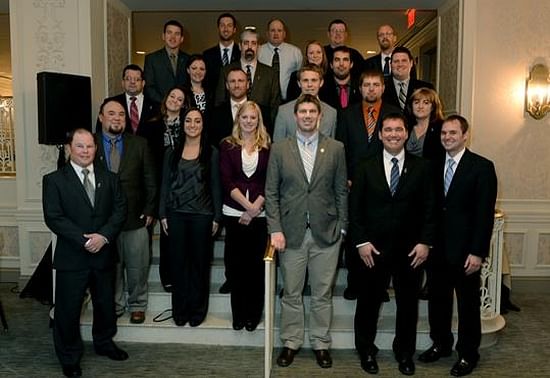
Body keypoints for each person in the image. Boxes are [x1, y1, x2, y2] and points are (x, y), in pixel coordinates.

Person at [349, 113, 436, 376]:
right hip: (372, 250)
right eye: (388, 130)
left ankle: (404, 353)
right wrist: (361, 242)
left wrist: (425, 243)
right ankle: (365, 350)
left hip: (411, 251)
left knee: (408, 305)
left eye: (398, 130)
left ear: (406, 133)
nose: (393, 134)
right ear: (379, 134)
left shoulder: (423, 167)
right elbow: (355, 210)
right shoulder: (365, 166)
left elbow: (430, 209)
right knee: (367, 304)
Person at [266, 94, 348, 369]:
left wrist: (343, 227)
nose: (308, 116)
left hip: (327, 234)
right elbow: (271, 192)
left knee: (322, 294)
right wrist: (274, 229)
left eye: (313, 111)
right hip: (290, 234)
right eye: (303, 111)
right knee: (291, 292)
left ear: (320, 116)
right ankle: (291, 342)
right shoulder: (279, 148)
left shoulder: (336, 148)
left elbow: (340, 191)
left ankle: (321, 343)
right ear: (295, 115)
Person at [42, 128, 127, 378]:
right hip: (73, 256)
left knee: (105, 305)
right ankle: (69, 356)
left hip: (103, 253)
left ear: (95, 148)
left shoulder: (110, 178)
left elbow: (119, 210)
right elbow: (54, 218)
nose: (85, 151)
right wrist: (84, 241)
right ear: (70, 148)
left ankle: (104, 343)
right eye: (80, 146)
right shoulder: (54, 180)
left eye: (89, 146)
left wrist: (103, 237)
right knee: (68, 310)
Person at [418, 115, 497, 377]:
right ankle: (440, 344)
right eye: (444, 133)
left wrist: (477, 252)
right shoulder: (431, 165)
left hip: (466, 252)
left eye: (453, 133)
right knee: (438, 302)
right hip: (437, 250)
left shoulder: (482, 167)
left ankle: (467, 353)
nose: (447, 137)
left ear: (465, 135)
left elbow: (484, 215)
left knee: (467, 305)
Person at [335, 69, 401, 301]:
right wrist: (344, 178)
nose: (371, 89)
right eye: (366, 85)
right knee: (356, 233)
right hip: (353, 184)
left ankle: (379, 285)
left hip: (384, 186)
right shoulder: (346, 114)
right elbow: (340, 148)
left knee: (381, 236)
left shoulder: (395, 113)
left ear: (383, 88)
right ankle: (354, 283)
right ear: (360, 88)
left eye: (376, 85)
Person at [94, 99, 157, 324]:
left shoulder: (139, 143)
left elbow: (150, 178)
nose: (117, 118)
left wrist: (150, 208)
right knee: (112, 265)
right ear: (101, 117)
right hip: (102, 220)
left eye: (121, 114)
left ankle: (138, 304)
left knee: (138, 263)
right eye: (111, 113)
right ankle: (116, 304)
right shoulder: (90, 145)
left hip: (135, 217)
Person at [159, 108, 222, 327]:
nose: (192, 124)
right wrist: (162, 214)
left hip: (202, 216)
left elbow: (215, 185)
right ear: (183, 124)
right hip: (175, 215)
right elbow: (165, 185)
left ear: (203, 125)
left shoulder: (211, 152)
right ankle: (180, 310)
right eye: (188, 121)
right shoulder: (171, 152)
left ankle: (197, 310)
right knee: (178, 265)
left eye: (197, 121)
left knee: (199, 265)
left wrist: (216, 217)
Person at [219, 101, 270, 332]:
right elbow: (227, 181)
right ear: (238, 119)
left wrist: (254, 209)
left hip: (260, 214)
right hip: (233, 212)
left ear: (258, 120)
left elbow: (269, 181)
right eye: (245, 117)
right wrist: (247, 207)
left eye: (253, 117)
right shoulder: (227, 146)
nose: (249, 121)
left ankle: (253, 315)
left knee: (256, 269)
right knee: (237, 267)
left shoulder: (268, 147)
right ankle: (238, 315)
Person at [139, 86, 190, 292]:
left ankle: (183, 272)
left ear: (184, 104)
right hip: (159, 183)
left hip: (184, 184)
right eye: (172, 96)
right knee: (166, 233)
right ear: (165, 98)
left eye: (180, 99)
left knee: (183, 233)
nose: (175, 101)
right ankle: (167, 276)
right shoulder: (150, 125)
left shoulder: (190, 124)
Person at [215, 26, 281, 131]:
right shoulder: (226, 71)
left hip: (261, 132)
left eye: (253, 43)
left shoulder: (270, 73)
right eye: (246, 43)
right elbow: (219, 102)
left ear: (258, 47)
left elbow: (275, 106)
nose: (249, 47)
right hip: (230, 131)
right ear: (240, 46)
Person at [273, 64, 336, 142]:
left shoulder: (331, 113)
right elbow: (277, 147)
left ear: (321, 83)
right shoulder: (284, 111)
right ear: (299, 83)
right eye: (305, 80)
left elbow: (333, 149)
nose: (310, 85)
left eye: (314, 80)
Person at [100, 64, 157, 135]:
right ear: (123, 83)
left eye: (137, 79)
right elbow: (100, 131)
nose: (132, 82)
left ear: (143, 83)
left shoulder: (155, 106)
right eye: (128, 79)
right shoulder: (110, 103)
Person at [144, 20, 190, 104]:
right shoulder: (152, 59)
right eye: (169, 33)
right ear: (163, 36)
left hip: (182, 109)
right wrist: (166, 103)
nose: (173, 37)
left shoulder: (188, 59)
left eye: (177, 34)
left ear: (182, 39)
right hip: (159, 109)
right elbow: (149, 87)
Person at [382, 46, 433, 121]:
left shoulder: (426, 87)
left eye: (404, 61)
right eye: (396, 61)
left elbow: (434, 115)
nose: (400, 64)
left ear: (411, 63)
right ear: (391, 64)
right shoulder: (381, 88)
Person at [258, 18, 303, 102]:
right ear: (267, 34)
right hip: (264, 101)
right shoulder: (258, 51)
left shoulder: (295, 52)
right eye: (272, 30)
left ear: (284, 34)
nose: (276, 33)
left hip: (288, 100)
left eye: (279, 30)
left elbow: (299, 77)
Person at [203, 13, 241, 94]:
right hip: (214, 103)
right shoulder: (207, 55)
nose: (225, 29)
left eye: (229, 25)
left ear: (234, 29)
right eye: (222, 25)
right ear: (218, 28)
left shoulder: (242, 53)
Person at [405, 87, 446, 161]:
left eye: (426, 103)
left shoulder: (441, 127)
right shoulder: (405, 126)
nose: (420, 106)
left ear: (433, 107)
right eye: (416, 102)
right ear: (411, 106)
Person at [319, 46, 361, 112]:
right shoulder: (322, 88)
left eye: (345, 59)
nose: (341, 64)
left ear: (351, 64)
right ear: (331, 65)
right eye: (337, 60)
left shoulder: (361, 86)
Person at [185, 54, 213, 121]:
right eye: (194, 68)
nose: (198, 72)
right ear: (188, 70)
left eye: (202, 69)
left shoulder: (212, 92)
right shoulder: (182, 91)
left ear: (205, 71)